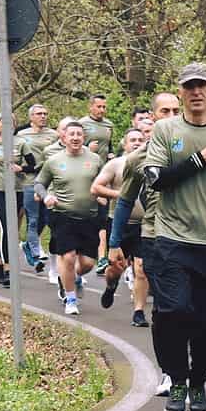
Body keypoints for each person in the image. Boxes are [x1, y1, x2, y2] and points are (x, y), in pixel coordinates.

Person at [143, 63, 206, 411]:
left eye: (202, 85)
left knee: (204, 322)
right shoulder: (164, 129)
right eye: (189, 87)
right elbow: (156, 179)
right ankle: (177, 379)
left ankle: (199, 380)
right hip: (172, 237)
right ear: (181, 92)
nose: (196, 92)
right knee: (172, 311)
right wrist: (200, 160)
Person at [109, 91, 180, 395]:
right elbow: (124, 202)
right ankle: (171, 372)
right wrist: (114, 243)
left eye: (176, 110)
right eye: (164, 111)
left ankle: (194, 373)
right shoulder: (139, 158)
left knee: (195, 313)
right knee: (166, 309)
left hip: (197, 238)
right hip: (155, 237)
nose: (172, 116)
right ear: (153, 117)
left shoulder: (202, 146)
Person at [35, 121, 102, 315]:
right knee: (68, 257)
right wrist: (46, 196)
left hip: (89, 216)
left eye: (79, 134)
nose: (75, 137)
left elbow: (105, 181)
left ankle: (72, 278)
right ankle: (70, 298)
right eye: (71, 134)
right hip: (62, 215)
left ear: (84, 137)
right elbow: (39, 183)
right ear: (63, 137)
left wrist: (103, 195)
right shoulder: (54, 161)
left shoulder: (96, 159)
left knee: (88, 263)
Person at [92, 126, 149, 326]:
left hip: (144, 225)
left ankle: (139, 311)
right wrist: (123, 195)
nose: (136, 143)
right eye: (132, 139)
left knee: (141, 268)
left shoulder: (152, 164)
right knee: (116, 267)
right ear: (124, 144)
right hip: (119, 223)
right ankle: (111, 285)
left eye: (140, 140)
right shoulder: (115, 164)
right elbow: (96, 188)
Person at [0, 121, 28, 287]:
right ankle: (9, 269)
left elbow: (33, 165)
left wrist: (21, 168)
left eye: (12, 122)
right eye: (4, 122)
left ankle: (0, 265)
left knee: (13, 229)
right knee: (6, 227)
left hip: (16, 190)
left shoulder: (21, 143)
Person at [16, 103, 58, 270]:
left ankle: (29, 244)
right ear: (31, 117)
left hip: (48, 182)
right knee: (32, 219)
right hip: (29, 180)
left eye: (45, 113)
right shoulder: (21, 134)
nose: (43, 116)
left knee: (46, 219)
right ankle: (35, 254)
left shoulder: (53, 135)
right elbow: (16, 157)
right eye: (39, 113)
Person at [79, 93, 115, 274]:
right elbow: (71, 146)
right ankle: (83, 251)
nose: (102, 110)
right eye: (99, 106)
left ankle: (101, 258)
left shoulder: (109, 125)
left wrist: (111, 156)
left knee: (103, 217)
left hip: (103, 175)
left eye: (104, 107)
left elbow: (110, 147)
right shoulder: (82, 124)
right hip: (84, 174)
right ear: (90, 107)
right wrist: (87, 148)